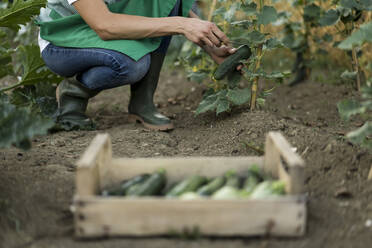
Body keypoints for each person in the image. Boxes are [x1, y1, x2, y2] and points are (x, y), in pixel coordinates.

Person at [37, 0, 237, 131]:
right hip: (63, 37)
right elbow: (105, 25)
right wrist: (181, 25)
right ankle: (73, 91)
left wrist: (210, 45)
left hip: (108, 24)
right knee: (131, 64)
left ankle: (142, 102)